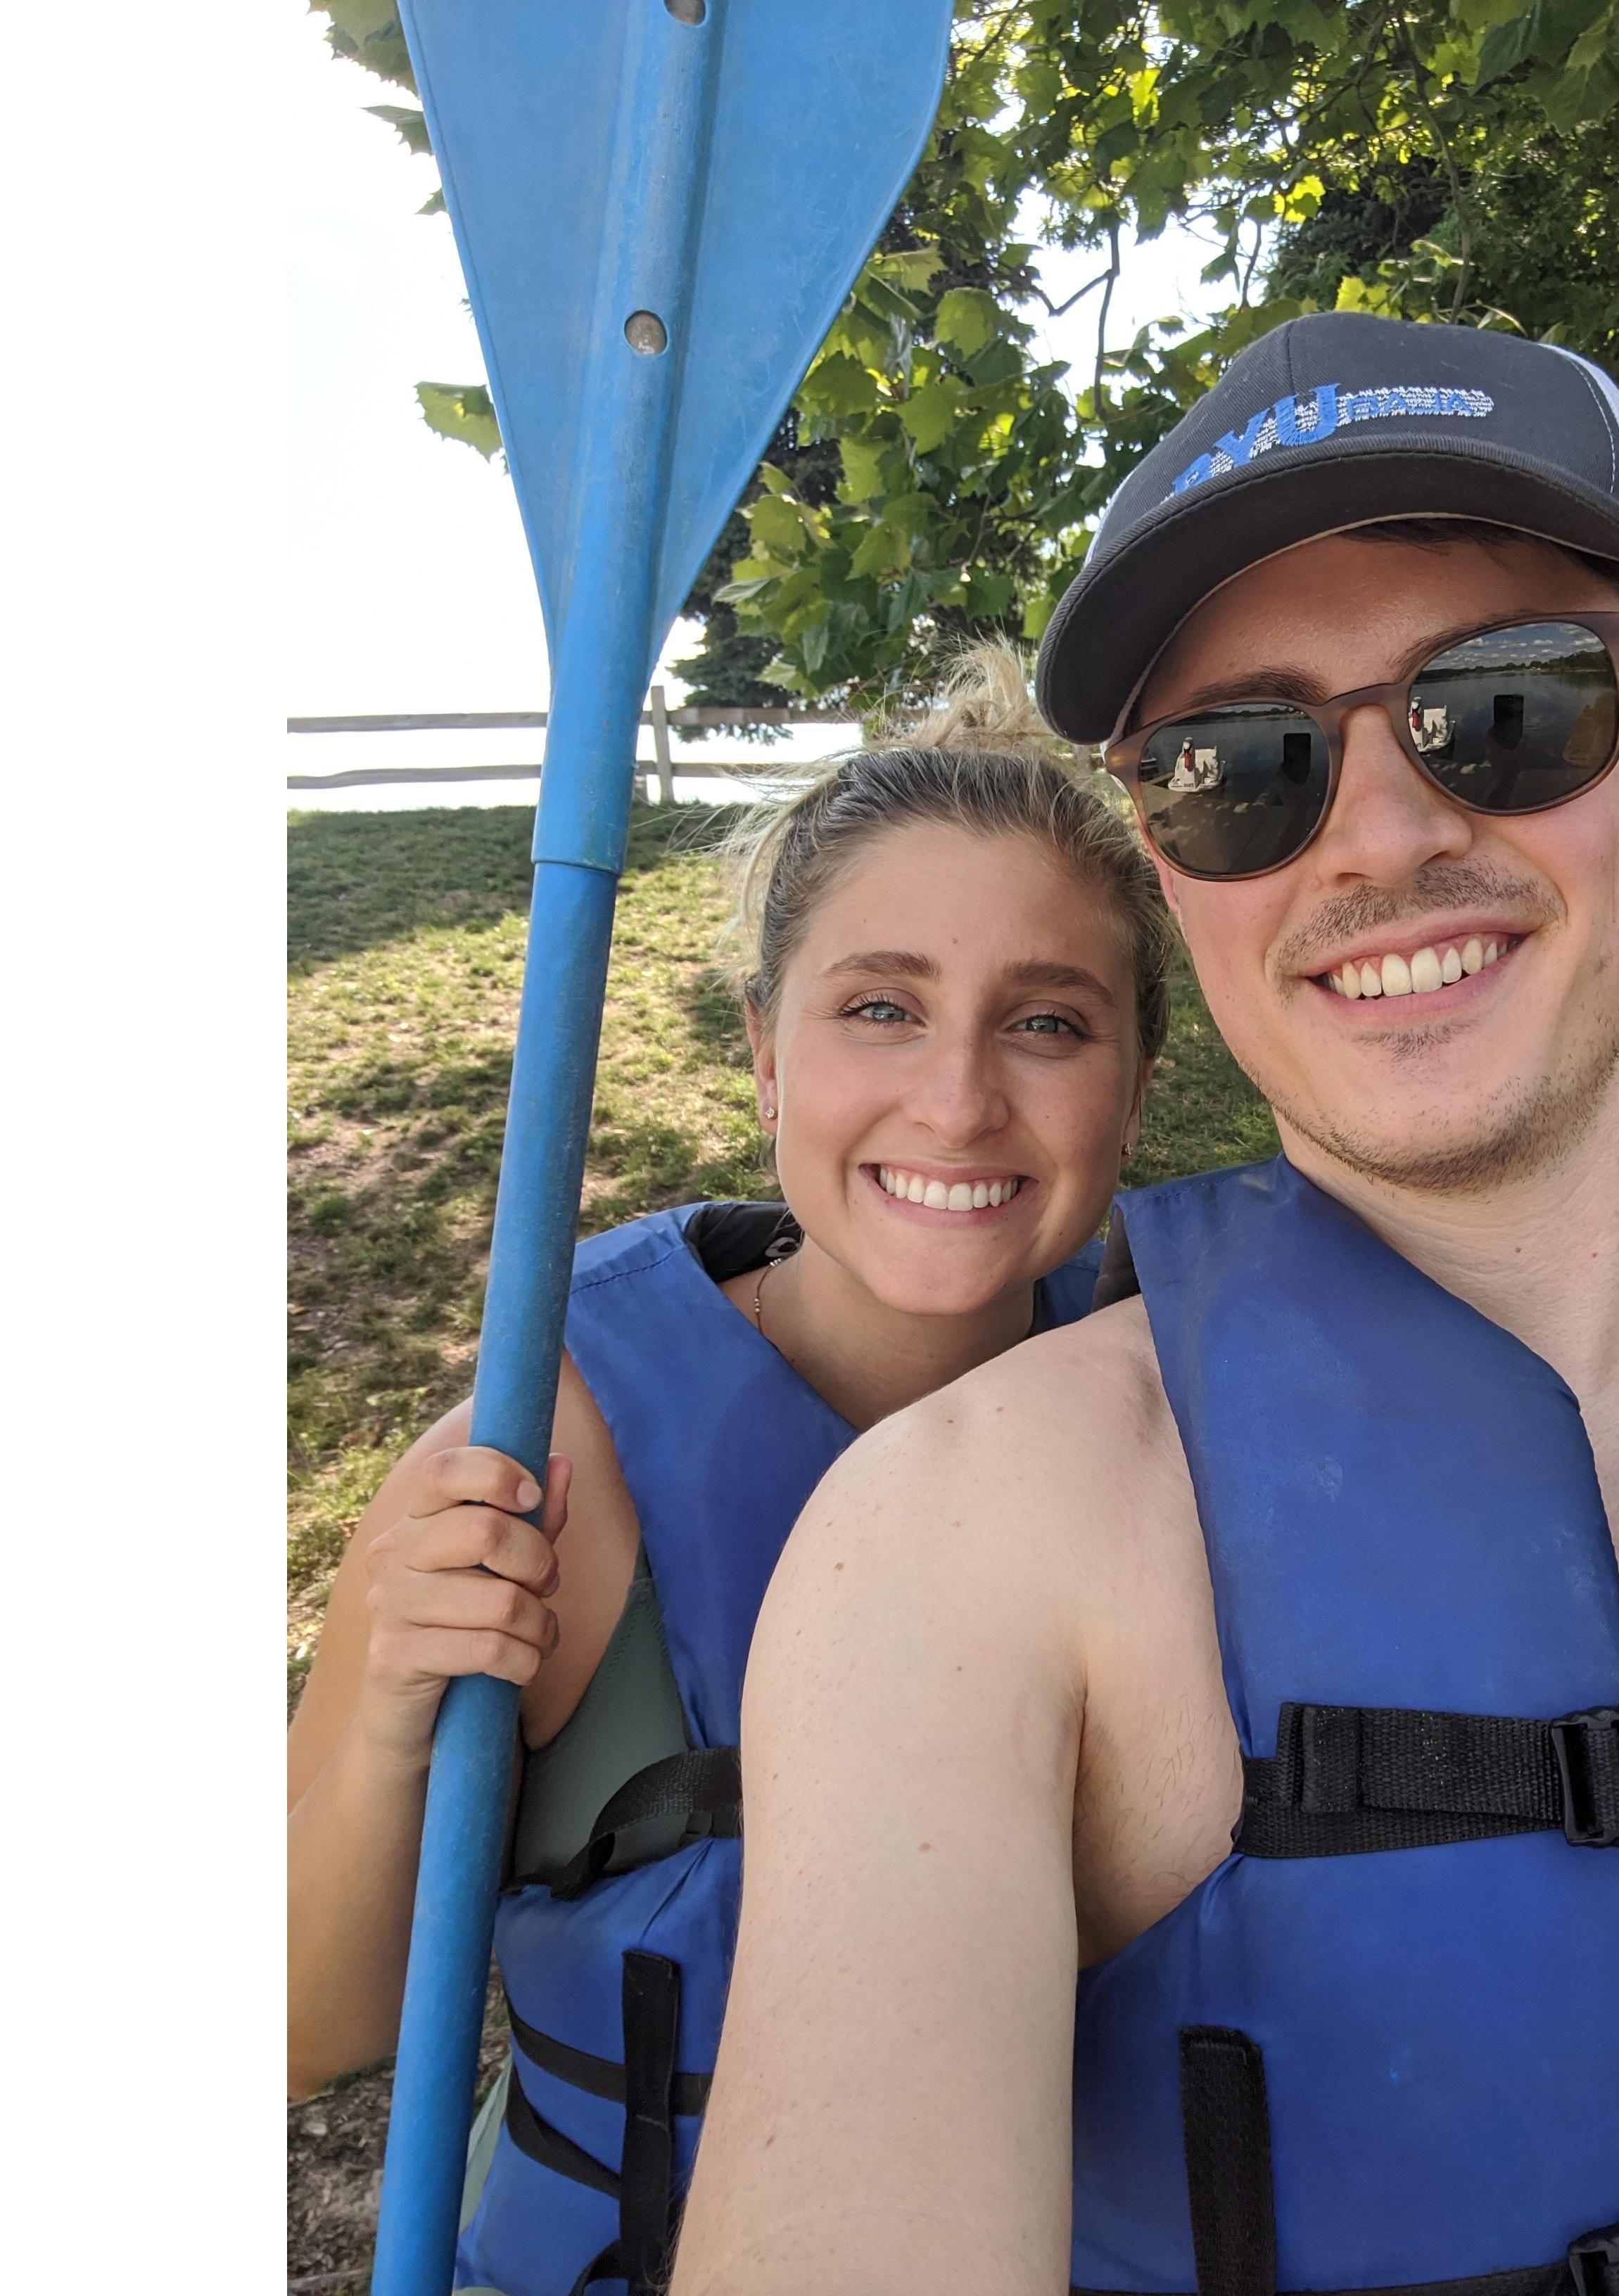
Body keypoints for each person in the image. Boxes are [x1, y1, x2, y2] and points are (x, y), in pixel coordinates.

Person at [674, 313, 1619, 2296]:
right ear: (1171, 858)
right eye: (1245, 766)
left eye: (1511, 707)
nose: (1383, 837)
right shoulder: (956, 1559)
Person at [285, 648, 1174, 2296]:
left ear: (1134, 1087)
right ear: (768, 1052)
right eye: (880, 1007)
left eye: (1049, 1022)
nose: (959, 1096)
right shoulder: (546, 1451)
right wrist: (399, 1707)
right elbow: (298, 2027)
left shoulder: (1197, 1434)